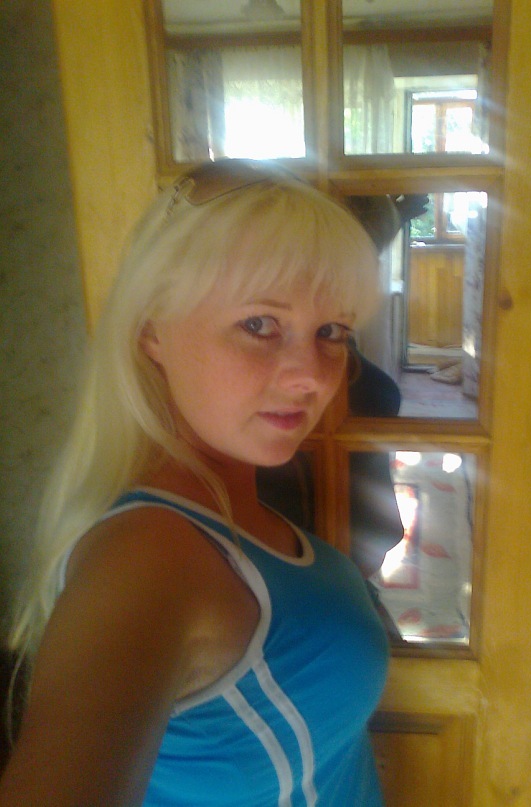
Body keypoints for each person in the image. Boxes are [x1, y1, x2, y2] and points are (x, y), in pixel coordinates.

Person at [0, 158, 390, 806]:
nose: (312, 375)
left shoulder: (231, 507)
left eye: (332, 332)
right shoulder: (145, 559)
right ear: (150, 328)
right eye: (259, 324)